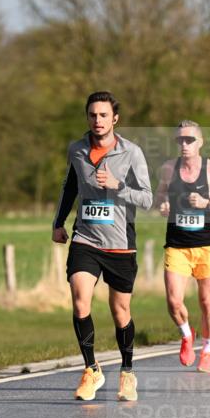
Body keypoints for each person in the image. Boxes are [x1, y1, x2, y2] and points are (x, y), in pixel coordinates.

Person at [52, 91, 153, 401]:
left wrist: (118, 186)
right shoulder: (76, 150)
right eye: (93, 115)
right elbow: (70, 186)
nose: (98, 120)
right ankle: (91, 369)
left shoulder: (132, 153)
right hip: (85, 239)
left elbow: (148, 199)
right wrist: (58, 222)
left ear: (115, 119)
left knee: (120, 311)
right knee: (80, 300)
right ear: (88, 118)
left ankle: (127, 372)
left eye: (104, 115)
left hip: (121, 244)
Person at [153, 121, 210, 373]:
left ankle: (208, 350)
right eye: (180, 140)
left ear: (200, 142)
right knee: (173, 301)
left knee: (206, 300)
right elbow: (158, 199)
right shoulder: (168, 170)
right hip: (177, 245)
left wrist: (207, 203)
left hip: (206, 245)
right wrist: (162, 206)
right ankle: (186, 334)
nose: (184, 144)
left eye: (189, 140)